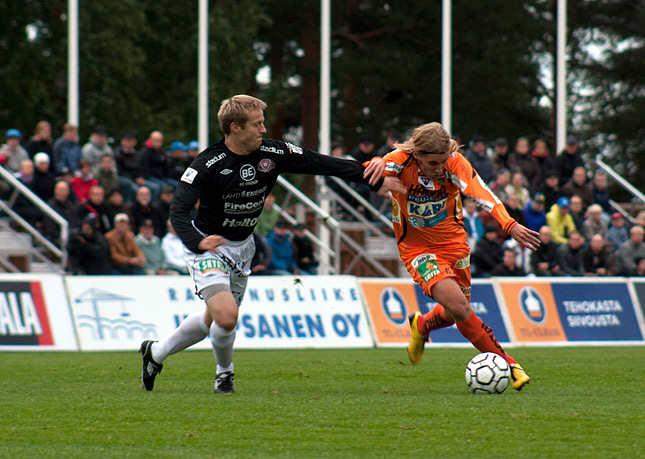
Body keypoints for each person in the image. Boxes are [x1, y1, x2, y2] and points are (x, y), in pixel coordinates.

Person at [139, 94, 389, 394]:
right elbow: (178, 211)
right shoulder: (208, 163)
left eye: (263, 123)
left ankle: (156, 353)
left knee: (213, 319)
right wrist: (198, 241)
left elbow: (321, 163)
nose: (263, 130)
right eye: (257, 124)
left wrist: (372, 177)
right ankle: (224, 373)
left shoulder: (273, 152)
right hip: (209, 247)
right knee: (227, 316)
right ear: (234, 128)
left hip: (243, 248)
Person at [372, 121, 539, 391]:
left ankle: (422, 324)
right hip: (418, 249)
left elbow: (483, 194)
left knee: (452, 313)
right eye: (433, 163)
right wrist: (377, 178)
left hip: (455, 246)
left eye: (442, 162)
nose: (439, 169)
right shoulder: (399, 161)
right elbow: (372, 169)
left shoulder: (454, 163)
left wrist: (510, 224)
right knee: (462, 308)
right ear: (417, 155)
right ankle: (508, 363)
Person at [113, 132, 142, 203]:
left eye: (131, 140)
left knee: (153, 187)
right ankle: (129, 204)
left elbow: (140, 168)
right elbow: (119, 171)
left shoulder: (137, 154)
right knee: (134, 188)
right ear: (122, 141)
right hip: (123, 178)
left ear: (135, 142)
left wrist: (140, 177)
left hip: (135, 178)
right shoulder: (117, 154)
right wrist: (134, 179)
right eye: (127, 140)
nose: (129, 143)